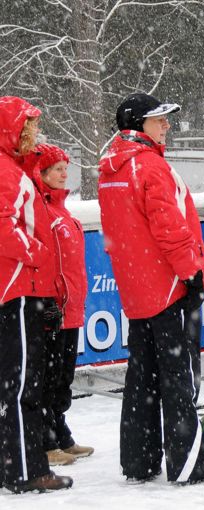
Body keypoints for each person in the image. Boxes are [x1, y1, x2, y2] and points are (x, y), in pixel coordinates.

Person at [98, 93, 204, 484]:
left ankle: (139, 461)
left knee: (142, 380)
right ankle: (188, 464)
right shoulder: (148, 166)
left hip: (138, 290)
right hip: (168, 288)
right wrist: (192, 274)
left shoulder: (112, 168)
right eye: (159, 119)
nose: (166, 125)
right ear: (137, 126)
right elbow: (170, 229)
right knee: (178, 378)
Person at [0, 96, 73, 493]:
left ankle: (13, 465)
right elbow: (5, 227)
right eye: (29, 129)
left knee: (15, 385)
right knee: (23, 385)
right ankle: (26, 470)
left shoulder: (12, 168)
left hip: (21, 289)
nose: (34, 136)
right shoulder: (6, 172)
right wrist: (39, 255)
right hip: (19, 290)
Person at [23, 144, 93, 466]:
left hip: (72, 309)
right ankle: (45, 440)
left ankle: (60, 432)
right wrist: (51, 301)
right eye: (57, 169)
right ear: (42, 174)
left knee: (63, 377)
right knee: (48, 380)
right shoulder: (42, 212)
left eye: (66, 167)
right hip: (53, 308)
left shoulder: (64, 211)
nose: (65, 173)